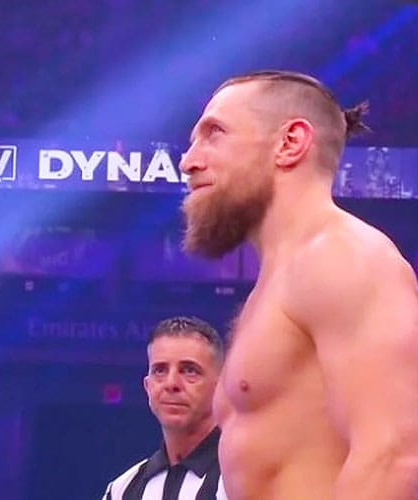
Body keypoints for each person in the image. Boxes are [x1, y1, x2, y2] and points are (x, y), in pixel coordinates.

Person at [180, 70, 418, 499]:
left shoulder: (343, 257)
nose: (189, 160)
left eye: (214, 133)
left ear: (290, 143)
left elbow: (395, 456)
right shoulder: (279, 282)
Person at [103, 316, 227, 500]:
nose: (171, 383)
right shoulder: (123, 490)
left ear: (221, 387)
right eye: (160, 370)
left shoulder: (244, 478)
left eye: (189, 370)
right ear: (148, 386)